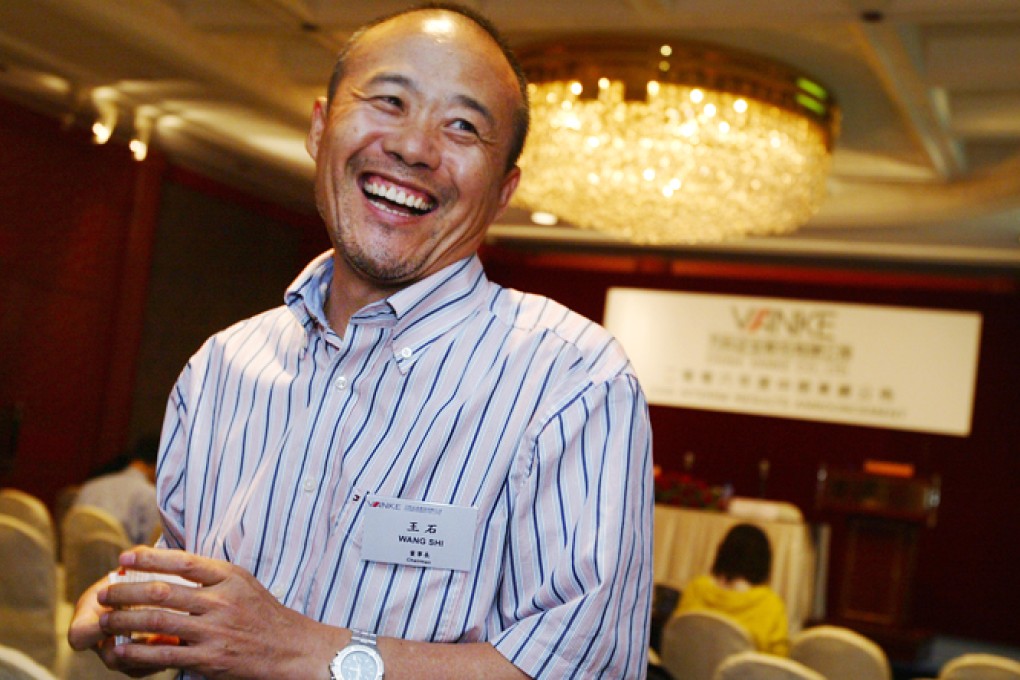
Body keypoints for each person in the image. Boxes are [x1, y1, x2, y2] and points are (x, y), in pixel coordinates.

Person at [67, 4, 654, 679]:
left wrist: (298, 648)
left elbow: (584, 669)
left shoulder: (573, 380)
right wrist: (139, 611)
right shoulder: (223, 365)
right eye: (390, 101)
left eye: (462, 126)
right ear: (321, 127)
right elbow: (193, 569)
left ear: (503, 192)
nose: (413, 147)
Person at [673, 523, 790, 656]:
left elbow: (675, 639)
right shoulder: (770, 604)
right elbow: (777, 661)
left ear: (722, 553)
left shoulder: (696, 589)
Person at [73, 435, 161, 545]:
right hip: (123, 561)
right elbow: (152, 547)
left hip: (77, 561)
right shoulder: (149, 495)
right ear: (158, 465)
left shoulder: (90, 486)